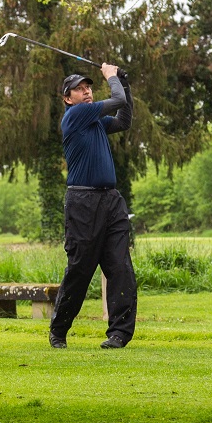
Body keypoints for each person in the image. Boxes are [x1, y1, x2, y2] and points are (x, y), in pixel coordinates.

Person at [48, 63, 135, 349]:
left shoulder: (95, 121)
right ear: (67, 98)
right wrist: (111, 77)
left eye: (88, 88)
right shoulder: (75, 115)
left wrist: (124, 83)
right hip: (82, 203)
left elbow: (123, 120)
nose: (86, 92)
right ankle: (59, 330)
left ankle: (119, 333)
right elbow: (117, 100)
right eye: (79, 89)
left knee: (120, 267)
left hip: (111, 201)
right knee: (80, 269)